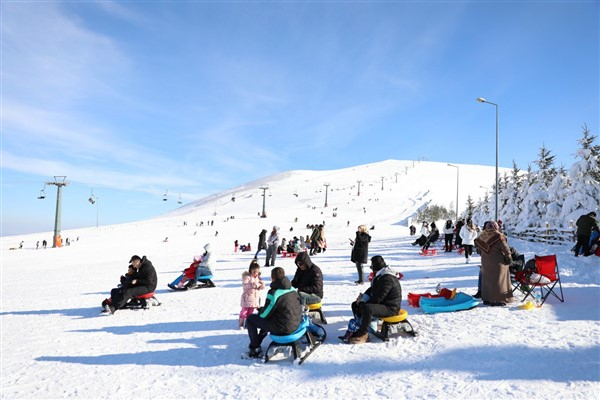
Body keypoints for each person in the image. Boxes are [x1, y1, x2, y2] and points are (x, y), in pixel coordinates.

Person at [245, 267, 303, 358]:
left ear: (273, 278)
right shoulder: (292, 289)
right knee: (271, 318)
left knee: (250, 319)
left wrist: (261, 311)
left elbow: (265, 314)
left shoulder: (274, 292)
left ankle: (255, 347)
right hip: (296, 323)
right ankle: (258, 340)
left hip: (283, 328)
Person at [347, 256, 402, 344]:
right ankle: (362, 325)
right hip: (383, 303)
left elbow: (378, 298)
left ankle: (363, 334)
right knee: (355, 305)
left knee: (367, 308)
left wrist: (362, 303)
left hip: (391, 307)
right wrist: (362, 298)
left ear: (375, 268)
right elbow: (372, 289)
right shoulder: (380, 275)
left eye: (371, 267)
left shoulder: (387, 278)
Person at [474, 221, 514, 307]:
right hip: (498, 262)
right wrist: (508, 259)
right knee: (499, 280)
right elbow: (506, 249)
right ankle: (498, 299)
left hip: (485, 261)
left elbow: (479, 250)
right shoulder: (499, 236)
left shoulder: (481, 236)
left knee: (487, 280)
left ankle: (487, 298)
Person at [239, 260, 265, 329]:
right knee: (244, 312)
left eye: (257, 272)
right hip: (247, 298)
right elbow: (244, 285)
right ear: (250, 271)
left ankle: (248, 323)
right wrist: (251, 284)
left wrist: (262, 285)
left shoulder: (257, 278)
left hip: (254, 299)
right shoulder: (247, 277)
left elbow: (261, 285)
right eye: (254, 272)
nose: (255, 274)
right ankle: (241, 323)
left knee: (250, 312)